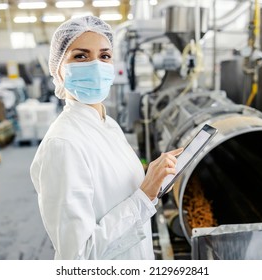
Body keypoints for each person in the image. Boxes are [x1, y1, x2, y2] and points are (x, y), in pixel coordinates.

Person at [30, 15, 183, 260]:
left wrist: (156, 184)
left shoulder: (108, 125)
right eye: (81, 56)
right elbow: (79, 257)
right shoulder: (63, 145)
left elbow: (123, 195)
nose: (96, 65)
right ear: (58, 69)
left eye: (104, 56)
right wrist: (143, 197)